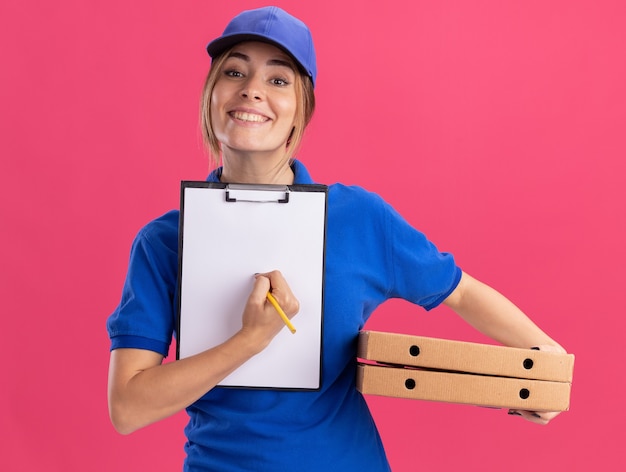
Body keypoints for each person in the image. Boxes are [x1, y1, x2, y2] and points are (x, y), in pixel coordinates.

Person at [107, 6, 567, 471]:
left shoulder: (357, 218)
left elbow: (460, 290)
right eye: (234, 71)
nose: (252, 89)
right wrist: (248, 341)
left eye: (278, 80)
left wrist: (547, 367)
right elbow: (128, 408)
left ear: (301, 110)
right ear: (210, 95)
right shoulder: (164, 242)